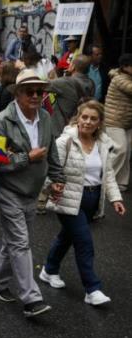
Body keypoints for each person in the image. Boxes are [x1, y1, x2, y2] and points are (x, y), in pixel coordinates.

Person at [0, 70, 66, 318]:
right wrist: (25, 158)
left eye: (39, 92)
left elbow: (51, 151)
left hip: (31, 192)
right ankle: (32, 299)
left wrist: (58, 179)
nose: (35, 96)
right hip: (9, 190)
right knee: (21, 243)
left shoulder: (45, 117)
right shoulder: (2, 121)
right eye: (29, 91)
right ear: (18, 93)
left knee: (13, 242)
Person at [40, 101, 125, 306]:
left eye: (93, 119)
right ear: (77, 117)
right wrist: (52, 186)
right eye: (84, 117)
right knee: (84, 242)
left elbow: (109, 174)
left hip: (92, 199)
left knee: (67, 237)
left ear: (100, 122)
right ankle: (92, 289)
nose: (87, 122)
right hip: (69, 198)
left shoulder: (103, 144)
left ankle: (49, 270)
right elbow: (50, 169)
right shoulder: (65, 142)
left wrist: (116, 198)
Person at [103, 54, 132, 192]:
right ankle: (105, 181)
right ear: (125, 66)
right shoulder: (119, 78)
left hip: (127, 121)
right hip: (114, 121)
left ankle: (121, 182)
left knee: (127, 152)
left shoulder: (127, 77)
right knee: (121, 150)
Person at [49, 54, 95, 135]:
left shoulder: (66, 82)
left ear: (73, 66)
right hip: (78, 129)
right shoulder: (91, 83)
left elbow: (42, 85)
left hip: (61, 129)